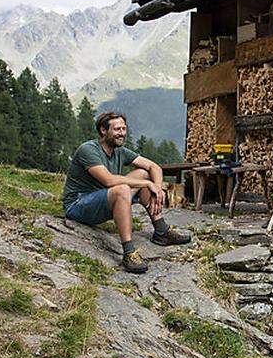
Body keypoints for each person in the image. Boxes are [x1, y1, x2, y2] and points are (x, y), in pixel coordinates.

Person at [62, 112, 191, 274]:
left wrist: (157, 188)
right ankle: (129, 252)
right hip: (78, 205)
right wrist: (147, 183)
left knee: (143, 173)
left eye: (124, 129)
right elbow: (109, 181)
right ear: (103, 130)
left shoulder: (120, 151)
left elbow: (154, 167)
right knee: (126, 187)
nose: (122, 133)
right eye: (117, 129)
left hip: (103, 198)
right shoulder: (88, 150)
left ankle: (161, 231)